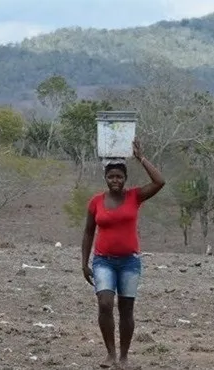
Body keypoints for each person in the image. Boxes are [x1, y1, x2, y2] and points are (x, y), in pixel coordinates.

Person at [81, 138, 165, 369]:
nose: (115, 180)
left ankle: (125, 357)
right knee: (105, 303)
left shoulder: (134, 197)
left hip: (129, 262)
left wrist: (141, 158)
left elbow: (160, 181)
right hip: (103, 262)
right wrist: (84, 263)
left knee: (126, 309)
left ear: (125, 178)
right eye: (111, 177)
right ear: (105, 179)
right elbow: (88, 232)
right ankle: (110, 353)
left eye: (119, 176)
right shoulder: (96, 201)